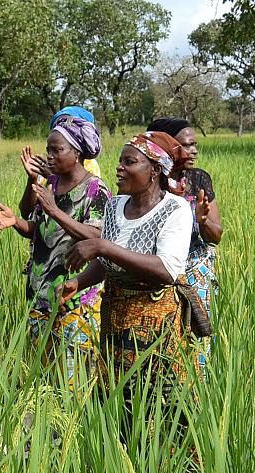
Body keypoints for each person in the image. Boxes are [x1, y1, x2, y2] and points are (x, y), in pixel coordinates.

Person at [60, 131, 195, 401]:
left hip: (156, 321)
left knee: (157, 401)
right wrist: (79, 282)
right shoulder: (115, 206)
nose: (120, 168)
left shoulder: (174, 209)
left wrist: (102, 245)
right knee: (116, 397)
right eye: (120, 161)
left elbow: (167, 270)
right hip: (115, 319)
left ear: (155, 170)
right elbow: (109, 264)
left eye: (129, 162)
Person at [0, 117, 111, 384]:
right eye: (49, 149)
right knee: (43, 381)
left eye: (58, 149)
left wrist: (55, 210)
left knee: (73, 383)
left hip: (75, 300)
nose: (50, 155)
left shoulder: (96, 189)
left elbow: (97, 237)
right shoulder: (52, 184)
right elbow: (41, 230)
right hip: (41, 295)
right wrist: (16, 222)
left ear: (77, 153)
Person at [147, 117, 223, 372]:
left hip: (194, 267)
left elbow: (216, 235)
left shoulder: (199, 179)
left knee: (196, 336)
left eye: (195, 145)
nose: (194, 151)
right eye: (186, 145)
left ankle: (196, 393)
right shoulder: (150, 179)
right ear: (167, 147)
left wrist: (202, 222)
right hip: (159, 267)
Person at [20, 106, 102, 218]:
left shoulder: (90, 169)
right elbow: (28, 215)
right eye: (59, 124)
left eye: (66, 123)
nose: (61, 127)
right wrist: (33, 179)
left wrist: (51, 177)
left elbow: (76, 212)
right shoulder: (54, 164)